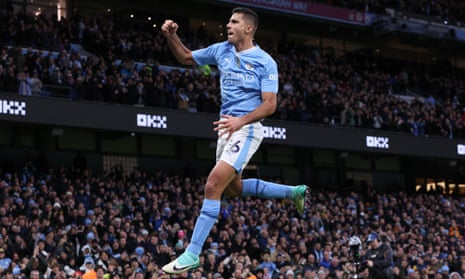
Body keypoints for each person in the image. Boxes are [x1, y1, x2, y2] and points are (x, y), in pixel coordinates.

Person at [160, 6, 309, 274]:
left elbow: (270, 105)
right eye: (228, 21)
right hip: (226, 130)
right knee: (234, 190)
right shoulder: (221, 50)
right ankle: (293, 192)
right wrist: (171, 35)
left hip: (247, 128)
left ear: (248, 29)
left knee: (212, 185)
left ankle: (192, 252)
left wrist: (241, 121)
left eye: (234, 21)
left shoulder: (265, 62)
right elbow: (184, 57)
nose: (228, 25)